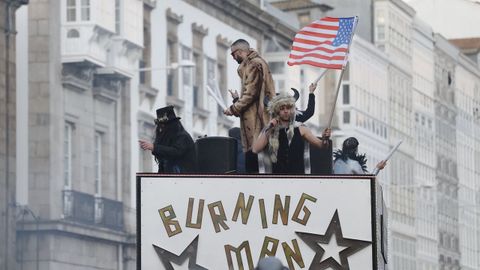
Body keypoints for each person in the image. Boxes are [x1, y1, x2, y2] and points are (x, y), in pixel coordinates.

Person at [224, 39, 276, 173]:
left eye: (233, 54)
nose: (233, 57)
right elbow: (252, 95)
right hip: (256, 124)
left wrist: (233, 109)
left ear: (240, 52)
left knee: (256, 167)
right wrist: (237, 99)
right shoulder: (254, 64)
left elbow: (250, 94)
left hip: (257, 125)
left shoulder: (253, 65)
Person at [252, 93, 331, 174]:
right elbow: (255, 149)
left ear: (292, 109)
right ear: (277, 111)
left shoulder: (301, 128)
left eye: (288, 108)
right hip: (277, 180)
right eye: (282, 108)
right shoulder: (270, 129)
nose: (286, 111)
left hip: (298, 178)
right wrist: (270, 128)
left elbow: (321, 145)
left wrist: (325, 139)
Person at [139, 106, 196, 173]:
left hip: (183, 178)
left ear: (172, 125)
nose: (162, 129)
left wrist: (154, 147)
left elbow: (175, 151)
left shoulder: (183, 136)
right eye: (160, 126)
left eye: (164, 125)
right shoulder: (170, 137)